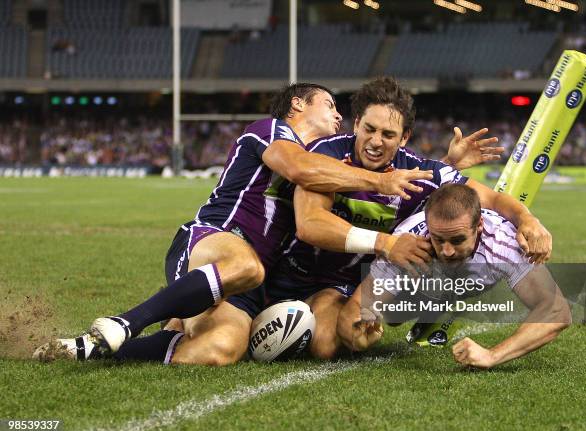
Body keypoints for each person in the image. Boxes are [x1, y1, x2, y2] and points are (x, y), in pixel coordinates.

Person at [149, 77, 549, 365]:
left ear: (405, 138)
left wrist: (527, 219)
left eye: (389, 135)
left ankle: (259, 326)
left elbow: (490, 197)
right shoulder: (326, 153)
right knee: (227, 340)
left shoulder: (417, 171)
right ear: (356, 124)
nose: (376, 141)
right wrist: (386, 243)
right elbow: (310, 226)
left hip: (331, 283)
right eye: (369, 129)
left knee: (327, 345)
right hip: (279, 268)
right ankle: (188, 321)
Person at [33, 82, 431, 362]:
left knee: (220, 349)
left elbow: (353, 188)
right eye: (328, 105)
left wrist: (445, 168)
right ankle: (124, 324)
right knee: (246, 265)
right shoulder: (271, 131)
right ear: (298, 105)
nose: (338, 114)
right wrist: (381, 179)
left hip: (250, 281)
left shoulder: (328, 160)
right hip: (213, 239)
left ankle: (90, 350)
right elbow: (298, 169)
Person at [337, 184, 571, 369]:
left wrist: (491, 355)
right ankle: (436, 301)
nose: (447, 250)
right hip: (423, 284)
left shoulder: (504, 243)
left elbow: (556, 311)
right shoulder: (409, 240)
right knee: (394, 315)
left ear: (479, 225)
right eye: (438, 239)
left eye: (457, 240)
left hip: (466, 280)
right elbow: (356, 309)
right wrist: (355, 334)